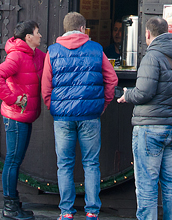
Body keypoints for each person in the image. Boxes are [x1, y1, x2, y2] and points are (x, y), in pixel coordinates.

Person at [42, 12, 118, 220]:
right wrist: (103, 104)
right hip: (90, 117)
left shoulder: (53, 51)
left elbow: (46, 85)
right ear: (84, 28)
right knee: (91, 163)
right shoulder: (96, 49)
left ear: (65, 29)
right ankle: (92, 210)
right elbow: (112, 79)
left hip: (63, 118)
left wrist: (54, 106)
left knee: (64, 163)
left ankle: (66, 212)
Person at [116, 16, 172, 220]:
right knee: (171, 181)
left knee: (147, 183)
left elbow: (144, 93)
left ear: (147, 34)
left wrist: (127, 94)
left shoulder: (152, 56)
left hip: (151, 128)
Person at [0, 20, 46, 220]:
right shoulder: (16, 57)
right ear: (28, 37)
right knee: (12, 161)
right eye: (37, 33)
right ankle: (10, 208)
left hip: (26, 116)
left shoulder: (36, 55)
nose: (40, 36)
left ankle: (14, 204)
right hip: (15, 117)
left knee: (15, 160)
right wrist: (13, 99)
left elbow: (50, 62)